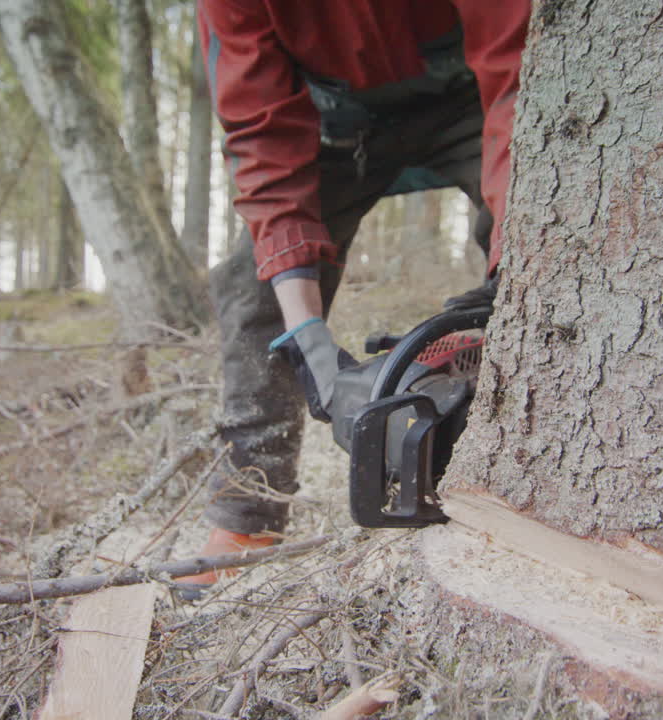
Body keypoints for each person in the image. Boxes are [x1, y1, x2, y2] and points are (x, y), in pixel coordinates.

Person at [177, 0, 529, 591]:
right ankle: (248, 515)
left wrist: (512, 255)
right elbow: (261, 135)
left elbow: (517, 75)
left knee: (534, 220)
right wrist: (306, 335)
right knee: (254, 283)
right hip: (331, 120)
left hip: (473, 92)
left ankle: (529, 468)